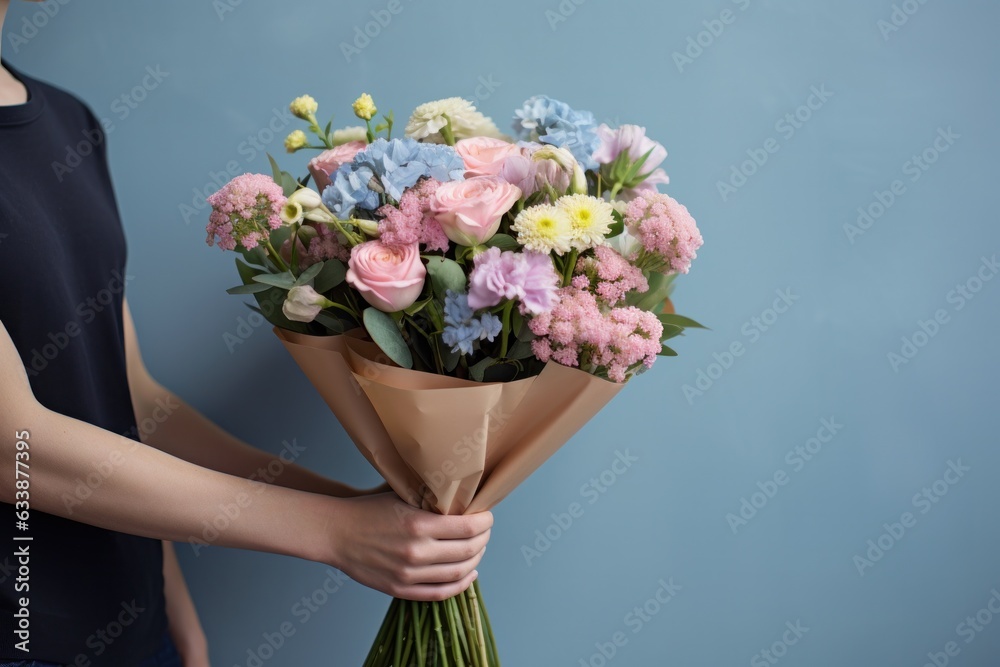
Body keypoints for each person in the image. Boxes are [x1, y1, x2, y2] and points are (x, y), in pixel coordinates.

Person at [0, 1, 493, 665]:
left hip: (136, 629)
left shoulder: (67, 121)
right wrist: (339, 530)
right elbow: (15, 446)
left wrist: (366, 512)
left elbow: (134, 404)